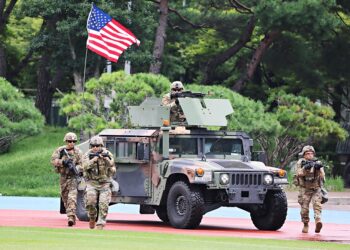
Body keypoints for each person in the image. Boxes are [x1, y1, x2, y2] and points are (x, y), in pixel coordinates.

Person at [83, 136, 116, 230]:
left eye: (97, 146)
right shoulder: (87, 155)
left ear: (101, 145)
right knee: (90, 202)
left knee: (103, 204)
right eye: (93, 146)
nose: (95, 148)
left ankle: (101, 223)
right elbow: (85, 166)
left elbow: (111, 164)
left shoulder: (107, 153)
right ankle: (92, 217)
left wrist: (105, 158)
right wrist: (95, 159)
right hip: (92, 183)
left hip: (104, 183)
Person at [51, 132, 82, 227]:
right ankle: (69, 213)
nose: (71, 143)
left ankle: (71, 217)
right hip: (63, 177)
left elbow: (82, 164)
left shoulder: (78, 152)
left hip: (73, 178)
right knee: (65, 198)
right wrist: (63, 162)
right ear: (66, 141)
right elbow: (53, 161)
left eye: (73, 141)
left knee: (72, 197)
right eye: (69, 141)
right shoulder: (60, 150)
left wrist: (76, 168)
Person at [294, 145, 325, 233]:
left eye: (311, 153)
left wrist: (318, 169)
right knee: (304, 209)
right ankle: (305, 224)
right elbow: (298, 173)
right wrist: (305, 168)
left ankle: (318, 221)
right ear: (304, 155)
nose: (310, 155)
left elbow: (323, 176)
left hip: (316, 188)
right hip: (305, 189)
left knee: (317, 205)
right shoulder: (301, 162)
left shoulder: (317, 162)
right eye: (307, 154)